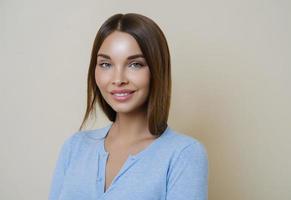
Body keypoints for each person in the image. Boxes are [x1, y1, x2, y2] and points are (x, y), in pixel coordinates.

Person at [48, 13, 208, 200]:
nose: (118, 79)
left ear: (157, 70)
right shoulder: (75, 147)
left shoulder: (183, 154)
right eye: (106, 64)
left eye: (135, 64)